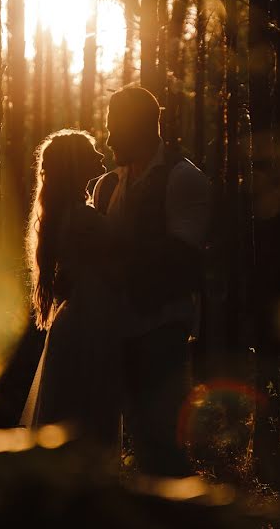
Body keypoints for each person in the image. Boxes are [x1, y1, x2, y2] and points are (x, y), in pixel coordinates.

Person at [93, 86, 210, 477]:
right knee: (131, 442)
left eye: (115, 129)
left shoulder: (183, 178)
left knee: (161, 439)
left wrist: (118, 260)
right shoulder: (106, 185)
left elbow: (183, 257)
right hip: (116, 329)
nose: (108, 139)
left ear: (141, 128)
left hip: (162, 327)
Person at [20, 129, 123, 451]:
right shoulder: (82, 218)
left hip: (82, 318)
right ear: (75, 163)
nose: (100, 155)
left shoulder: (68, 214)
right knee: (88, 414)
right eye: (91, 151)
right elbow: (124, 256)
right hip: (89, 324)